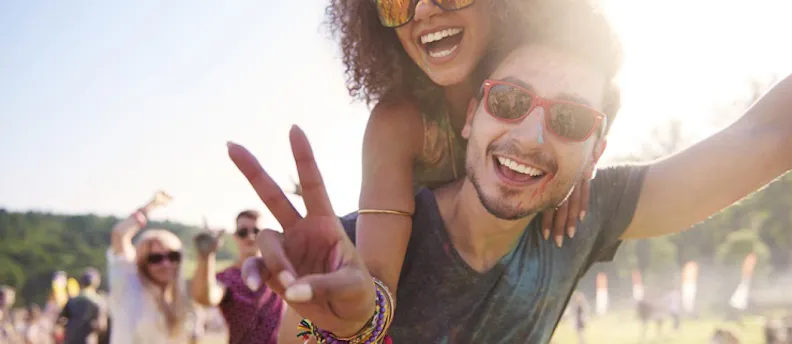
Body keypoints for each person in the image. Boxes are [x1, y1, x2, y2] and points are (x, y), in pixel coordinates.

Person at [232, 1, 792, 342]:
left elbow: (767, 136)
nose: (531, 134)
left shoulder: (583, 214)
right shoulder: (347, 243)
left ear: (598, 148)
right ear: (473, 111)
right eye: (509, 101)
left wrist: (564, 175)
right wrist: (352, 326)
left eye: (569, 118)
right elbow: (367, 300)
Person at [326, 0, 590, 301]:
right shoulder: (397, 124)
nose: (423, 9)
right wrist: (355, 317)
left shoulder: (558, 110)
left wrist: (573, 166)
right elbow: (376, 286)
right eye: (395, 2)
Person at [107, 191, 190, 344]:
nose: (166, 264)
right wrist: (150, 207)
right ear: (143, 262)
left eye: (173, 256)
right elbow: (119, 234)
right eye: (155, 258)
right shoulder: (129, 282)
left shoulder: (177, 296)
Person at [191, 210, 284, 344]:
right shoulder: (227, 277)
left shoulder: (280, 272)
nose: (250, 237)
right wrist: (206, 257)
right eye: (243, 232)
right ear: (235, 237)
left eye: (256, 231)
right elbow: (206, 297)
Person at [58, 268, 107, 344]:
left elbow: (61, 321)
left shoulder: (71, 300)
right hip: (88, 340)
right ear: (97, 282)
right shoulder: (99, 301)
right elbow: (101, 326)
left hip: (70, 340)